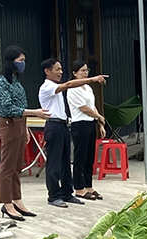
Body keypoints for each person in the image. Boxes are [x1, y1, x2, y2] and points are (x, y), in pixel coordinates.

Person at [38, 58, 107, 208]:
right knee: (55, 163)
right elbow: (69, 84)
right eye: (57, 69)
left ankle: (67, 193)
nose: (60, 72)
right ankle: (54, 195)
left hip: (63, 124)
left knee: (64, 161)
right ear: (47, 71)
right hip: (54, 125)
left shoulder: (57, 87)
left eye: (61, 69)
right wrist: (92, 79)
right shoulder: (47, 87)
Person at [0, 46, 50, 221]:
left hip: (19, 124)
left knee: (18, 166)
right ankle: (6, 203)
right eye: (21, 61)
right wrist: (35, 113)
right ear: (11, 62)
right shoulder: (1, 82)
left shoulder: (15, 80)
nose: (23, 64)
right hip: (8, 124)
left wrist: (25, 128)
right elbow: (8, 108)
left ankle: (17, 200)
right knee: (7, 167)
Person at [67, 60, 106, 201]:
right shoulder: (72, 89)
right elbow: (83, 108)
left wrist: (100, 122)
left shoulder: (88, 88)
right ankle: (78, 188)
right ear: (74, 73)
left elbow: (92, 106)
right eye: (82, 71)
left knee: (90, 157)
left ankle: (88, 186)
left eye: (86, 70)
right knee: (80, 157)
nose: (85, 73)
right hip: (80, 124)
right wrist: (98, 116)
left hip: (91, 123)